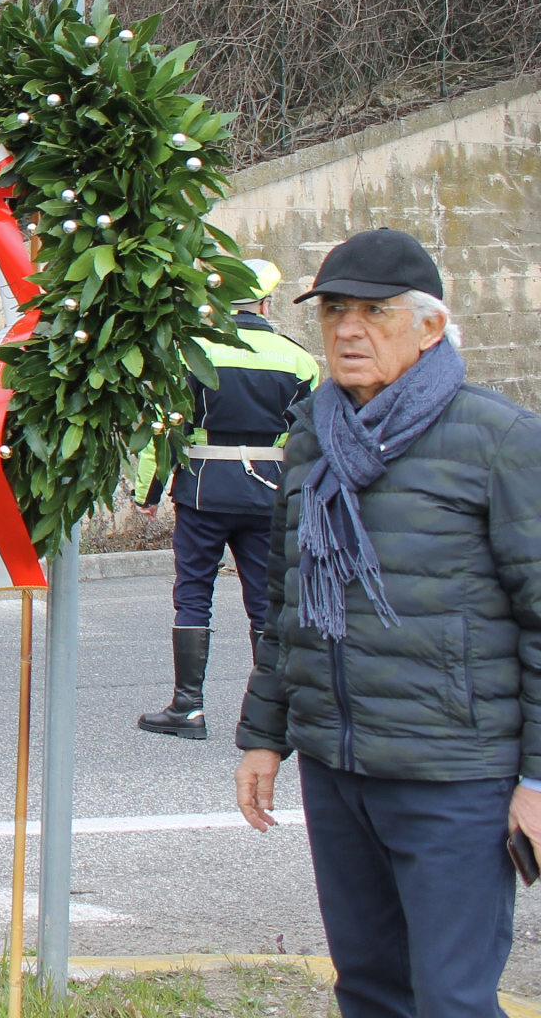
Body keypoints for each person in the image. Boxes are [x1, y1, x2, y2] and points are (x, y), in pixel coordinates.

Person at [236, 228, 541, 1018]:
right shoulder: (311, 439)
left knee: (451, 1000)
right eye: (334, 310)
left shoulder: (498, 441)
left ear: (430, 327)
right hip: (338, 768)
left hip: (454, 778)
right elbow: (286, 604)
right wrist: (265, 736)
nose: (347, 331)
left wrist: (537, 781)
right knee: (369, 990)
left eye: (374, 312)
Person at [133, 259, 320, 739]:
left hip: (203, 488)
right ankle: (274, 713)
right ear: (266, 302)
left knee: (194, 593)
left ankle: (188, 709)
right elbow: (311, 437)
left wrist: (148, 493)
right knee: (265, 600)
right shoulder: (299, 360)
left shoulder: (191, 353)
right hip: (270, 492)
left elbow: (163, 429)